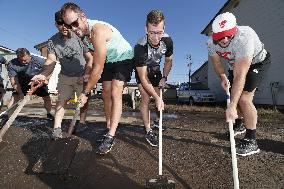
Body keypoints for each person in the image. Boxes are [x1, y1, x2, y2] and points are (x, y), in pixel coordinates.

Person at [61, 2, 136, 154]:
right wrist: (88, 74)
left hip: (124, 57)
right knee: (105, 93)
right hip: (109, 60)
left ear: (83, 17)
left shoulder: (97, 31)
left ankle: (110, 135)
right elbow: (93, 58)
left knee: (115, 92)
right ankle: (109, 125)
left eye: (75, 23)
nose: (74, 29)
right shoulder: (82, 36)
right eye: (69, 26)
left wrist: (86, 92)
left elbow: (99, 67)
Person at [207, 12, 271, 156]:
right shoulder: (211, 43)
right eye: (219, 36)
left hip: (257, 62)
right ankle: (239, 124)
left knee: (243, 99)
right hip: (234, 65)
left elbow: (240, 75)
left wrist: (231, 106)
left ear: (234, 30)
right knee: (232, 97)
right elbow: (216, 63)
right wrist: (223, 76)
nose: (223, 40)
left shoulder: (244, 37)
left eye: (227, 35)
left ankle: (251, 140)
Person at [31, 11, 93, 139]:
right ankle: (57, 128)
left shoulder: (79, 37)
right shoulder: (52, 41)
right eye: (60, 23)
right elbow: (51, 60)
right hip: (65, 75)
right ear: (56, 24)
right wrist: (43, 74)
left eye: (66, 23)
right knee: (61, 100)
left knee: (83, 102)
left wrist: (87, 74)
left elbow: (90, 58)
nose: (64, 26)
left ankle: (81, 123)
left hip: (82, 75)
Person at [134, 10, 173, 146]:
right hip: (143, 70)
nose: (156, 38)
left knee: (158, 97)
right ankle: (148, 130)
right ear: (146, 29)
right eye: (152, 32)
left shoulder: (168, 41)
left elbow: (168, 61)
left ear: (164, 29)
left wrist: (165, 77)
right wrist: (156, 98)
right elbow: (144, 78)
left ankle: (157, 121)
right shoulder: (140, 47)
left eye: (159, 32)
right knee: (146, 98)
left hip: (156, 69)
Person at [7, 48, 53, 119]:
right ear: (17, 57)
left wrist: (46, 79)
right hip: (22, 83)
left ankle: (49, 113)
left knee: (47, 98)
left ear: (30, 56)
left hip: (38, 81)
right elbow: (14, 81)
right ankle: (9, 117)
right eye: (21, 60)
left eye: (25, 60)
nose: (23, 62)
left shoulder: (39, 61)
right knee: (14, 98)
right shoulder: (12, 64)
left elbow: (49, 70)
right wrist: (20, 93)